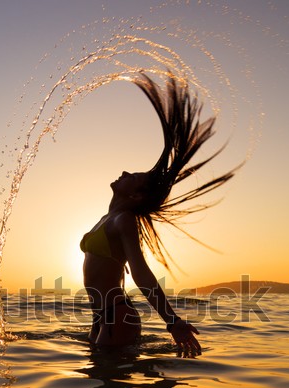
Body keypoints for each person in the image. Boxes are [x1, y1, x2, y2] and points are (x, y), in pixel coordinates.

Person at [80, 72, 237, 354]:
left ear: (136, 195)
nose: (126, 172)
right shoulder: (108, 218)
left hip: (117, 315)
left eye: (133, 177)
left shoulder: (124, 220)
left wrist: (172, 321)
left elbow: (140, 272)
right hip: (102, 316)